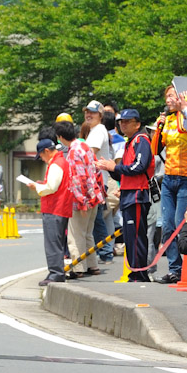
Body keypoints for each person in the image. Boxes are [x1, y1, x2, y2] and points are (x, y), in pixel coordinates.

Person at [96, 109, 155, 282]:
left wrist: (114, 167)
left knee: (136, 236)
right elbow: (124, 173)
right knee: (131, 236)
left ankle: (140, 273)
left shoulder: (141, 140)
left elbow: (139, 166)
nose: (123, 124)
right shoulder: (131, 141)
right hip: (129, 193)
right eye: (121, 121)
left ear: (137, 124)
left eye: (127, 121)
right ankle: (135, 272)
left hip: (137, 194)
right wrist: (109, 168)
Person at [151, 85, 187, 284]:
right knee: (167, 226)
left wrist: (184, 107)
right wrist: (159, 127)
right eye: (167, 97)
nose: (169, 100)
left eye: (172, 95)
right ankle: (175, 269)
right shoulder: (166, 120)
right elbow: (156, 149)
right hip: (169, 178)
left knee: (183, 224)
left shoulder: (186, 117)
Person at [54, 121, 105, 278]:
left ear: (60, 137)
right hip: (94, 196)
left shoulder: (73, 151)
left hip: (81, 199)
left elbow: (78, 178)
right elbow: (95, 171)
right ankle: (92, 265)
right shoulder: (85, 147)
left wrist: (82, 201)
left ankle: (78, 268)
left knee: (76, 236)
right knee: (88, 234)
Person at [28, 137, 73, 286]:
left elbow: (52, 187)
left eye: (41, 155)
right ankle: (56, 271)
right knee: (57, 242)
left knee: (52, 242)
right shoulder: (61, 161)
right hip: (61, 207)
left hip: (54, 207)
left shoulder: (55, 164)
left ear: (46, 151)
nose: (41, 158)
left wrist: (37, 187)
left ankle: (55, 273)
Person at [84, 100, 114, 264]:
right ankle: (104, 251)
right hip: (97, 180)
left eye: (92, 112)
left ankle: (105, 252)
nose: (88, 115)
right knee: (98, 218)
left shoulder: (98, 131)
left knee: (96, 219)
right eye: (87, 112)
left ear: (100, 115)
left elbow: (89, 154)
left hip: (97, 181)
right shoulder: (96, 130)